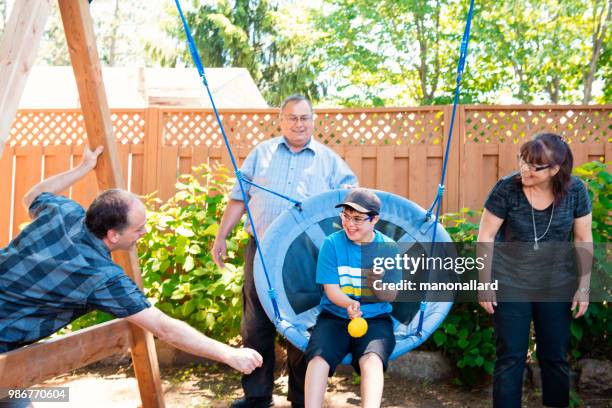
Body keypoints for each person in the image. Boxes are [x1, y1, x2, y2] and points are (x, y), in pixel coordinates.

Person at [0, 146, 263, 376]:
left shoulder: (65, 211)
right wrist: (229, 354)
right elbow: (164, 327)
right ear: (113, 235)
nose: (145, 233)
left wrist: (83, 167)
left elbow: (31, 196)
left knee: (16, 396)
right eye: (138, 229)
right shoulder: (101, 277)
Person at [212, 94, 358, 408]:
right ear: (281, 120)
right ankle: (257, 395)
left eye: (305, 118)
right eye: (292, 117)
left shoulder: (330, 161)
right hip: (262, 249)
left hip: (306, 256)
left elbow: (350, 205)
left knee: (303, 322)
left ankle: (303, 397)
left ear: (314, 121)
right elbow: (239, 197)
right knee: (255, 323)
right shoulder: (260, 154)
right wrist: (221, 236)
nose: (299, 123)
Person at [477, 133, 592, 408]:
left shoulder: (575, 191)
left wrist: (584, 286)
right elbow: (485, 237)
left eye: (534, 166)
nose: (525, 169)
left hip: (555, 284)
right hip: (510, 282)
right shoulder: (506, 189)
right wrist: (484, 283)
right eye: (523, 161)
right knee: (510, 357)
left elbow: (582, 239)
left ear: (555, 169)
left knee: (554, 357)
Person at [304, 188, 397, 408]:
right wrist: (349, 303)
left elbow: (391, 295)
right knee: (318, 358)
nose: (349, 224)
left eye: (357, 218)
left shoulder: (388, 249)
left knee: (372, 360)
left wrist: (376, 285)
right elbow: (331, 290)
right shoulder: (332, 244)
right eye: (345, 216)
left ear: (374, 219)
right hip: (334, 316)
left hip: (375, 319)